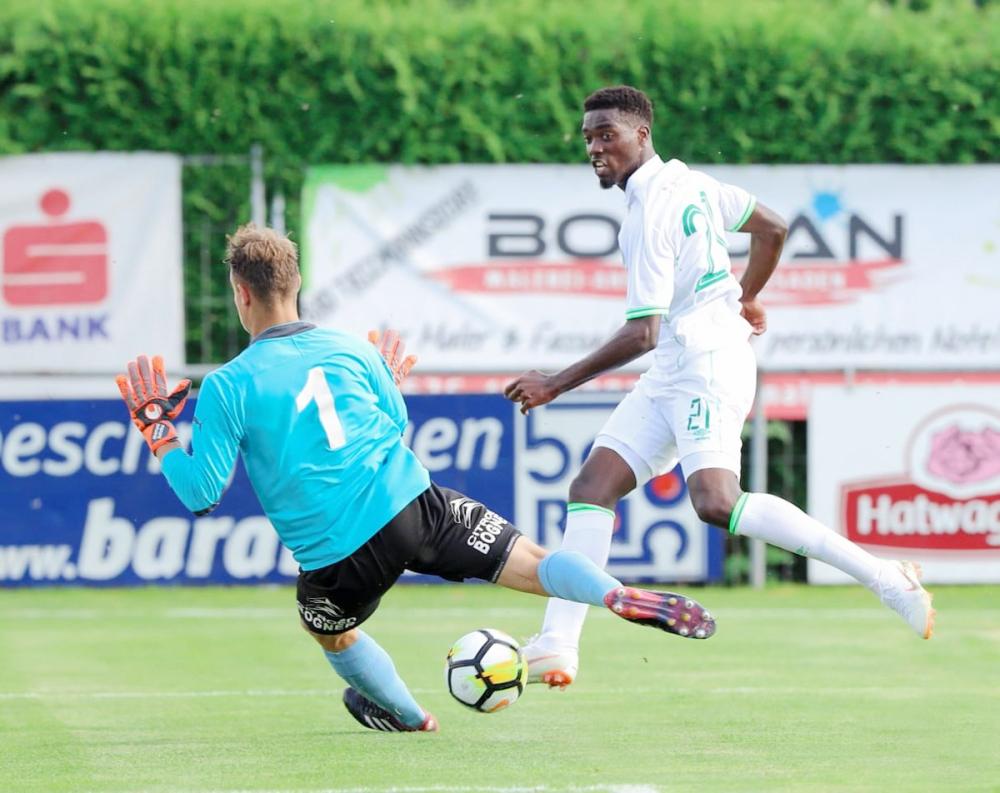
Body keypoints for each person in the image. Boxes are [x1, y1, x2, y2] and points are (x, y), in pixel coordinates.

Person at [115, 223, 717, 734]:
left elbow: (201, 493)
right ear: (295, 285)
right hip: (414, 505)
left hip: (339, 556)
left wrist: (158, 431)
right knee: (535, 562)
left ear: (241, 293)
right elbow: (394, 422)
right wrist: (383, 379)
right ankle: (612, 593)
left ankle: (410, 716)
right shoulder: (353, 350)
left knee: (329, 632)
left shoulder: (228, 384)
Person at [504, 85, 935, 689]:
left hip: (706, 364)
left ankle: (886, 578)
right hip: (677, 365)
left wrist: (555, 384)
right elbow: (773, 228)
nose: (595, 148)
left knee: (716, 502)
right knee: (591, 489)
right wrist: (748, 295)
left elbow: (643, 332)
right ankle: (557, 643)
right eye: (589, 138)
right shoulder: (693, 183)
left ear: (641, 135)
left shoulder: (651, 212)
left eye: (607, 135)